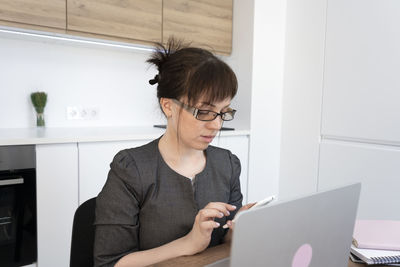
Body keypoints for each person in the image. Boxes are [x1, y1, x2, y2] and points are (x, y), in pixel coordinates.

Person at [94, 39, 250, 267]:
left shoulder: (227, 164)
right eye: (205, 112)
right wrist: (188, 244)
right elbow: (111, 263)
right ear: (169, 106)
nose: (216, 125)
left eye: (223, 112)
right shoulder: (131, 169)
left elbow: (225, 246)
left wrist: (242, 227)